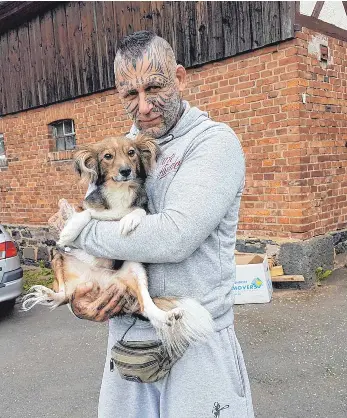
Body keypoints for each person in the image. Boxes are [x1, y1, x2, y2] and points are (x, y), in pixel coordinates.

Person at [66, 30, 254, 418]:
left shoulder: (213, 143)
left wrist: (79, 227)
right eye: (129, 96)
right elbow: (88, 236)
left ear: (180, 78)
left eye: (155, 87)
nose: (144, 106)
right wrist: (81, 295)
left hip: (194, 340)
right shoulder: (120, 150)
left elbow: (174, 237)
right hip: (127, 337)